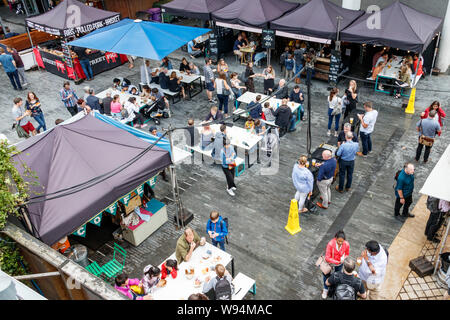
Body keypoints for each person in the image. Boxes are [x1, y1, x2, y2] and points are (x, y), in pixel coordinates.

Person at [322, 230, 350, 299]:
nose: (340, 243)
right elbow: (327, 257)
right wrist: (337, 262)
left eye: (342, 241)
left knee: (337, 275)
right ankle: (325, 290)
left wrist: (343, 258)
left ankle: (333, 288)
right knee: (326, 275)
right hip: (330, 263)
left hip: (339, 263)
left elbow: (347, 254)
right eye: (338, 241)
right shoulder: (330, 244)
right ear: (335, 238)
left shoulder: (346, 244)